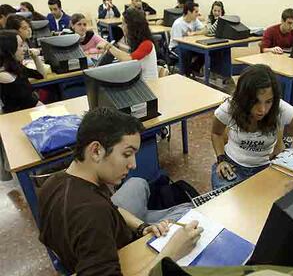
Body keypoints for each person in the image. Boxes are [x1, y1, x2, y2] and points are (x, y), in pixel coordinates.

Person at [38, 107, 202, 275]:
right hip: (118, 252)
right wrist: (170, 254)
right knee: (189, 213)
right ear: (96, 151)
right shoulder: (93, 215)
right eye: (127, 154)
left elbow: (111, 207)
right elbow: (99, 214)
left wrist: (142, 228)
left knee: (138, 182)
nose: (133, 164)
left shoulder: (55, 182)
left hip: (104, 235)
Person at [211, 64, 293, 189]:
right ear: (244, 98)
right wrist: (221, 159)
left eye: (268, 101)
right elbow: (216, 134)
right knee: (223, 202)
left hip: (265, 168)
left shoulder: (280, 108)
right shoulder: (230, 107)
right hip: (232, 167)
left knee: (272, 202)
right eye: (255, 101)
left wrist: (288, 141)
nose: (262, 110)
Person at [98, 8, 158, 80]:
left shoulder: (147, 44)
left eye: (123, 23)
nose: (121, 26)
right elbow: (129, 54)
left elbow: (128, 59)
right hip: (140, 82)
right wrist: (114, 50)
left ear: (132, 26)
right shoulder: (137, 42)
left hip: (148, 85)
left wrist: (108, 46)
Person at [0, 30, 46, 113]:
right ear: (10, 49)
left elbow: (41, 75)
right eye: (20, 46)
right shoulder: (4, 76)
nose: (24, 49)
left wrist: (35, 57)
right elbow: (31, 103)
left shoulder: (15, 67)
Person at [169, 2, 206, 78]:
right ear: (189, 12)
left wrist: (194, 34)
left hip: (189, 45)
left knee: (204, 51)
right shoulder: (178, 24)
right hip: (176, 47)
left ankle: (194, 69)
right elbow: (178, 41)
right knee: (186, 52)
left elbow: (205, 30)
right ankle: (187, 75)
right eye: (196, 12)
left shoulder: (194, 20)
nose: (198, 14)